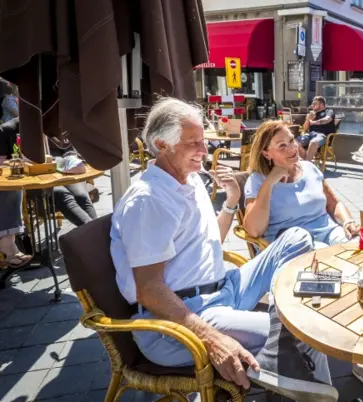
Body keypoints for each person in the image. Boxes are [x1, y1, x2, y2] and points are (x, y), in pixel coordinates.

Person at [110, 98, 338, 402]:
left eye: (203, 140)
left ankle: (277, 351)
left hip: (223, 288)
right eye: (194, 143)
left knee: (296, 237)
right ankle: (292, 359)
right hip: (185, 317)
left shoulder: (188, 181)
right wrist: (211, 339)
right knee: (308, 331)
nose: (205, 151)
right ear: (162, 144)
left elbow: (210, 243)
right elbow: (149, 290)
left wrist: (231, 203)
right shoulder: (149, 200)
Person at [244, 121, 359, 247]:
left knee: (358, 246)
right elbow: (254, 230)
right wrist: (270, 182)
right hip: (294, 245)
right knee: (327, 257)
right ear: (266, 154)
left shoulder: (309, 168)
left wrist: (347, 221)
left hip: (328, 232)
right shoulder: (258, 180)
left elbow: (333, 203)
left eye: (292, 140)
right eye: (282, 146)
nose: (292, 148)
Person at [0, 118, 31, 268]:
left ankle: (8, 245)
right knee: (9, 189)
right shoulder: (5, 130)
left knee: (12, 186)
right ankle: (8, 246)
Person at [48, 135, 97, 226]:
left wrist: (62, 162)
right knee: (62, 194)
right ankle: (96, 232)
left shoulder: (56, 123)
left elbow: (70, 152)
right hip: (42, 175)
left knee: (81, 196)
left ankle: (96, 233)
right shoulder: (20, 127)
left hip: (67, 167)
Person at [297, 96, 336, 161]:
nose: (312, 105)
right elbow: (305, 128)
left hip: (322, 135)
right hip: (310, 134)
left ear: (321, 104)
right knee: (294, 142)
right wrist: (308, 118)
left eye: (315, 104)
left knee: (313, 143)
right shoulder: (312, 113)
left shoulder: (329, 111)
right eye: (312, 104)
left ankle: (307, 164)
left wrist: (314, 122)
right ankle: (306, 161)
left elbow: (327, 119)